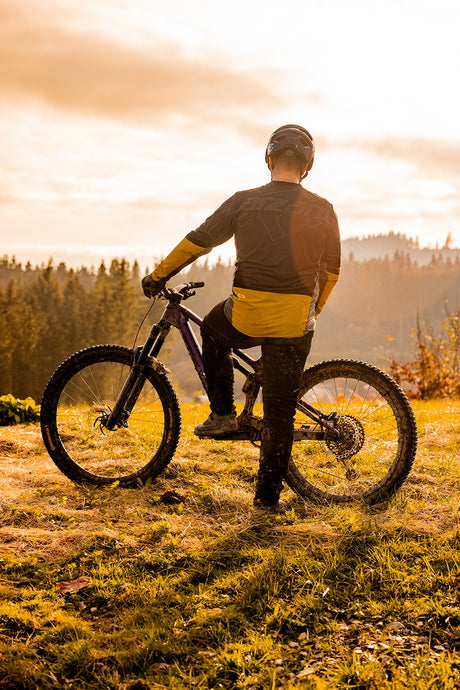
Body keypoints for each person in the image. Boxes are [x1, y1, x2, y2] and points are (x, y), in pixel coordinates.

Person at [142, 124, 341, 513]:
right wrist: (311, 312)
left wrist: (160, 275)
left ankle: (222, 414)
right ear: (308, 166)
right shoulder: (324, 209)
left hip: (247, 315)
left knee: (213, 330)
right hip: (294, 321)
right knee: (280, 412)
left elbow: (199, 240)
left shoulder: (243, 201)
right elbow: (331, 273)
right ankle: (266, 503)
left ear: (268, 159)